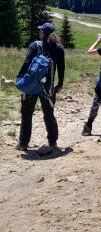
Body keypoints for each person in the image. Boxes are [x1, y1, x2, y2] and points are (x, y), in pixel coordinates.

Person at [15, 22, 65, 152]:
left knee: (26, 114)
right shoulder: (59, 48)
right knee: (49, 114)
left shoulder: (35, 45)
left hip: (31, 86)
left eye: (41, 31)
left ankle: (23, 143)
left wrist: (19, 77)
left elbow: (27, 63)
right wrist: (60, 83)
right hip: (48, 88)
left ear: (43, 33)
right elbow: (61, 68)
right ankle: (52, 142)